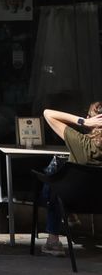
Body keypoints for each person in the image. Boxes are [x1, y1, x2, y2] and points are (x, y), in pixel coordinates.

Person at [39, 102, 102, 255]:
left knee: (54, 173)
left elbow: (48, 113)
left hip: (73, 200)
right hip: (99, 202)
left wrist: (83, 121)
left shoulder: (81, 142)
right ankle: (70, 217)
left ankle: (53, 240)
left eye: (88, 116)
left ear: (93, 121)